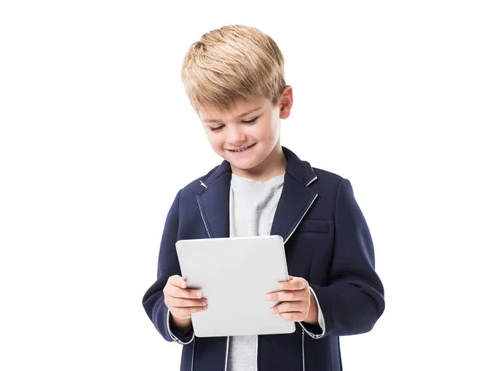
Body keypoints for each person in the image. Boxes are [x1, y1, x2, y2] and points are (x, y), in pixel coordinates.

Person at [141, 25, 385, 371]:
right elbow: (158, 299)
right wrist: (176, 312)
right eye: (216, 126)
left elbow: (367, 300)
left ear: (283, 103)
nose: (235, 137)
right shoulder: (189, 200)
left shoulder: (331, 194)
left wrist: (314, 304)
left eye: (250, 119)